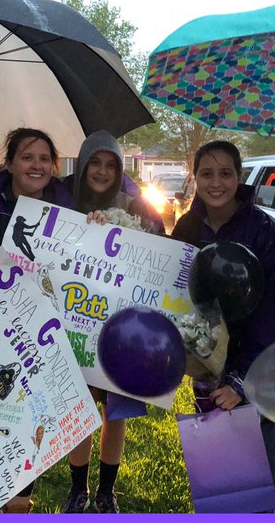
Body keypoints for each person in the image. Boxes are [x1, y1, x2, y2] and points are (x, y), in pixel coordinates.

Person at [171, 140, 275, 490]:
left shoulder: (266, 233)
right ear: (194, 177)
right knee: (221, 485)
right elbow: (175, 298)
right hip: (210, 378)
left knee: (254, 488)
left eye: (226, 173)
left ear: (239, 176)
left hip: (266, 377)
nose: (216, 183)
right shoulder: (186, 229)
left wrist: (241, 379)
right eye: (207, 173)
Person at [0, 127, 75, 513]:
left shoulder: (69, 209)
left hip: (41, 342)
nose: (36, 165)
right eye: (27, 157)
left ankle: (19, 502)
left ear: (54, 166)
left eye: (45, 158)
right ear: (10, 163)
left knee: (28, 424)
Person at [62, 132, 165, 512]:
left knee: (116, 409)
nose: (103, 171)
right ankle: (78, 488)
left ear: (120, 169)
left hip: (123, 326)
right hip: (77, 319)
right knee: (80, 405)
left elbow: (160, 249)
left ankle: (106, 490)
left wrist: (132, 231)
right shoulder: (65, 199)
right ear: (83, 165)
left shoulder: (136, 205)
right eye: (95, 163)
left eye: (111, 164)